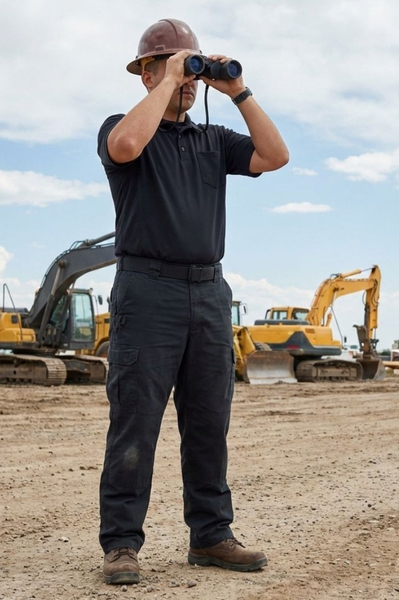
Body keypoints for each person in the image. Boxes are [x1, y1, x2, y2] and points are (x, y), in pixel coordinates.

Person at [97, 18, 288, 585]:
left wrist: (238, 91)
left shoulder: (212, 140)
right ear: (146, 73)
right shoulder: (124, 127)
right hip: (146, 290)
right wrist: (171, 78)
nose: (188, 78)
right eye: (175, 65)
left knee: (209, 421)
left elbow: (275, 156)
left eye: (193, 66)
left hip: (209, 293)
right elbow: (126, 145)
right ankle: (122, 545)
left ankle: (211, 535)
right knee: (136, 422)